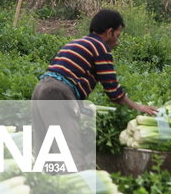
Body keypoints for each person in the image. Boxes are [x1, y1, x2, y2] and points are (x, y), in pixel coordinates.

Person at [32, 9, 157, 170]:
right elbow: (113, 92)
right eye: (118, 36)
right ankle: (76, 192)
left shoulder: (74, 43)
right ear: (109, 32)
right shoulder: (100, 47)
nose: (117, 42)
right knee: (70, 156)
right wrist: (138, 108)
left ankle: (45, 190)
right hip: (57, 94)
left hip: (40, 90)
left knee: (46, 155)